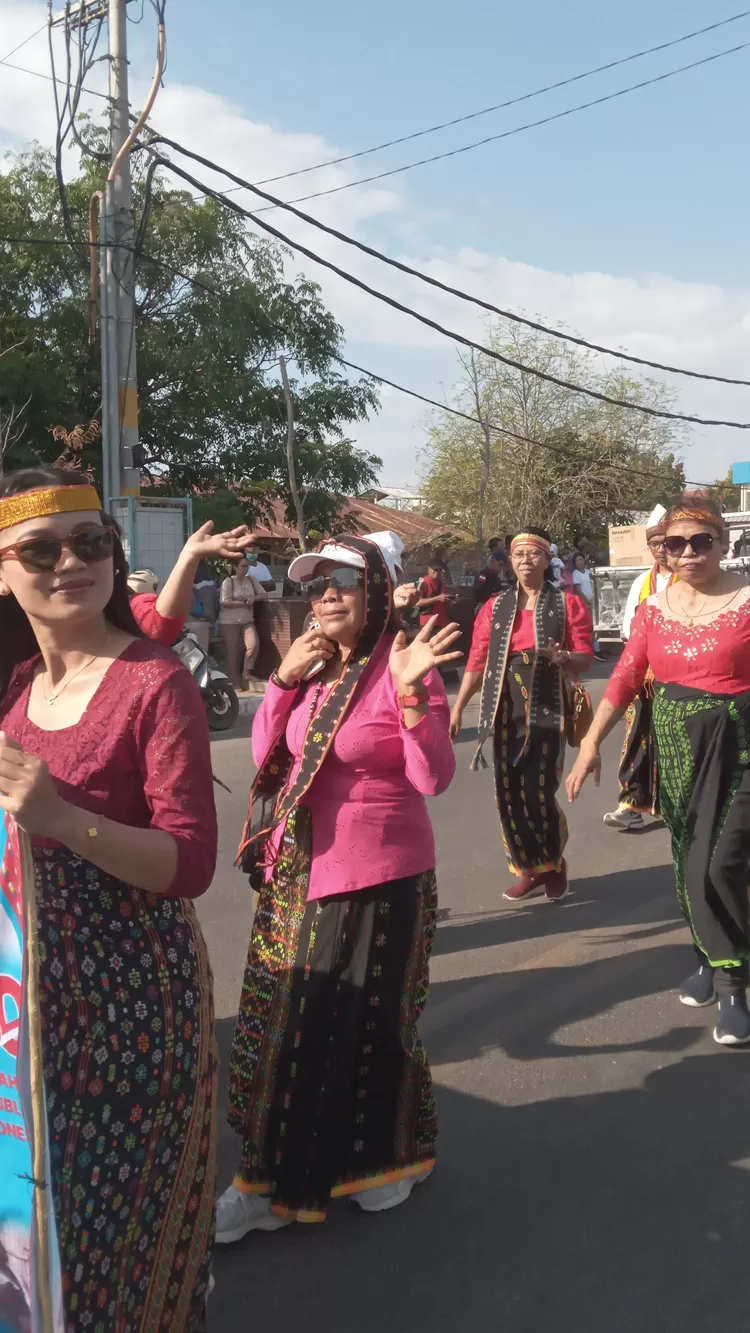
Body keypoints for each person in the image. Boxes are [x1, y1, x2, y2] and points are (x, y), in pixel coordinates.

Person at [0, 467, 218, 1328]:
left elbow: (191, 862)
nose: (70, 563)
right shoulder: (19, 691)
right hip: (37, 1002)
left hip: (135, 1002)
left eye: (91, 543)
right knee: (49, 1227)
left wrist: (61, 813)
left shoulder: (153, 681)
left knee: (119, 1229)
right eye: (40, 549)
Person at [216, 533, 460, 1240]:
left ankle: (304, 1177)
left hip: (380, 879)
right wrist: (285, 680)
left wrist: (413, 692)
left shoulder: (402, 663)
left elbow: (433, 777)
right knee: (293, 1031)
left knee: (359, 1030)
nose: (325, 595)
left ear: (377, 591)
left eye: (343, 583)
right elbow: (269, 757)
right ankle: (295, 1174)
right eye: (316, 584)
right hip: (300, 873)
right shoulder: (316, 666)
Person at [566, 495, 750, 1046]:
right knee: (688, 860)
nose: (689, 552)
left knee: (721, 863)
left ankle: (735, 984)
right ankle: (704, 955)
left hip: (739, 748)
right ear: (663, 551)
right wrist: (589, 745)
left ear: (722, 544)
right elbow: (623, 679)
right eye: (677, 543)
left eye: (701, 541)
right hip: (674, 747)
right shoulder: (653, 609)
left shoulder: (747, 602)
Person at [450, 527, 593, 902]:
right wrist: (458, 706)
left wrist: (564, 658)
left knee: (537, 790)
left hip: (548, 702)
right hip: (505, 703)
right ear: (509, 561)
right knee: (508, 791)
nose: (526, 561)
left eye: (534, 554)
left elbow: (585, 655)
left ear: (547, 560)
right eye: (519, 555)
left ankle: (554, 863)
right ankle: (528, 868)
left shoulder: (568, 604)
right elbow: (478, 661)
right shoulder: (495, 608)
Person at [604, 505, 671, 831]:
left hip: (678, 680)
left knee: (673, 742)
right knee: (636, 739)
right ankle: (630, 803)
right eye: (655, 543)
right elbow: (631, 631)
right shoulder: (642, 583)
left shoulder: (690, 580)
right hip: (644, 679)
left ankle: (675, 804)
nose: (662, 549)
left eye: (667, 542)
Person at [219, 556, 267, 687]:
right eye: (243, 566)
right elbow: (224, 602)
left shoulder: (252, 580)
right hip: (229, 622)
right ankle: (233, 680)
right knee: (233, 651)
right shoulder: (228, 582)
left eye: (247, 566)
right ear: (235, 567)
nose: (245, 569)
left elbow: (264, 594)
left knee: (253, 644)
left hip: (247, 620)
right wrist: (242, 603)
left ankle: (246, 673)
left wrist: (254, 598)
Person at [572, 551, 604, 660]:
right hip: (586, 604)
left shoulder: (588, 571)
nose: (579, 562)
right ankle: (594, 650)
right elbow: (578, 590)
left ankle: (596, 649)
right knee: (591, 626)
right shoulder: (576, 573)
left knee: (596, 625)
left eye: (580, 559)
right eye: (577, 560)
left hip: (595, 602)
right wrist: (587, 601)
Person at [417, 558, 450, 628]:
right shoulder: (423, 582)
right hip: (427, 623)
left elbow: (444, 604)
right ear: (428, 569)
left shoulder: (442, 584)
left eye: (439, 570)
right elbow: (417, 602)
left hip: (441, 622)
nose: (437, 572)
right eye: (435, 569)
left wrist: (451, 600)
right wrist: (436, 599)